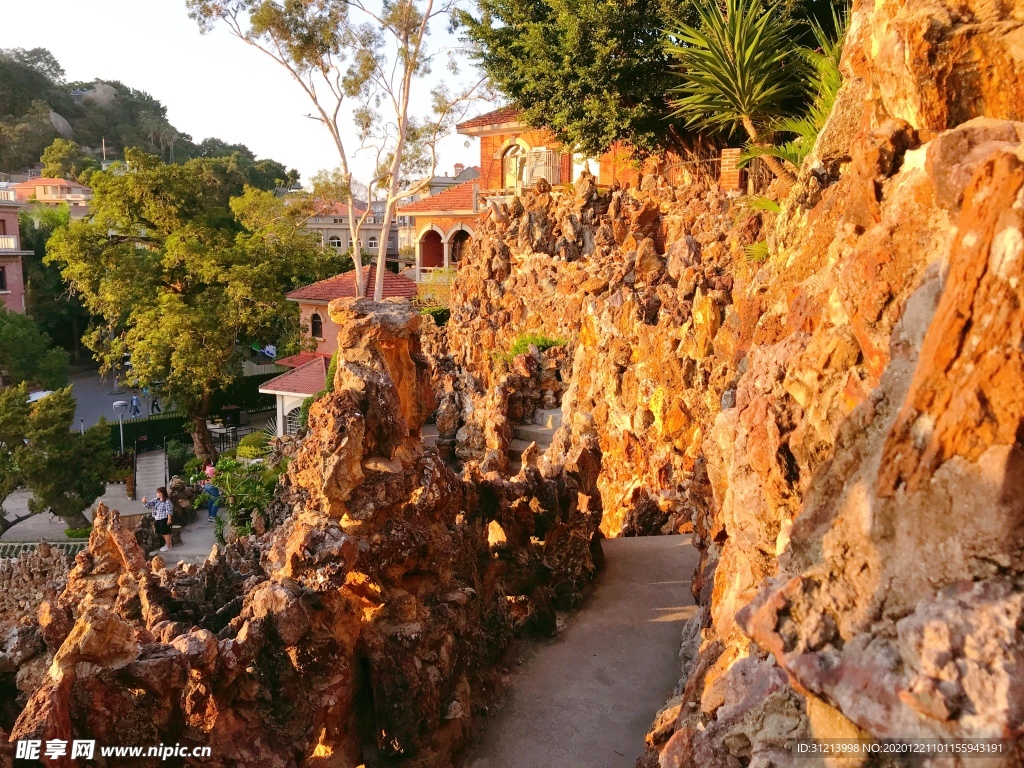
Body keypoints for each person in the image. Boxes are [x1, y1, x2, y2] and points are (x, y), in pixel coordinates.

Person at [142, 486, 174, 552]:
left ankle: (169, 546)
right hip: (157, 519)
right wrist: (145, 502)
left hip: (164, 519)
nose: (157, 494)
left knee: (166, 532)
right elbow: (150, 505)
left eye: (158, 493)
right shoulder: (156, 500)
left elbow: (169, 511)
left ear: (161, 493)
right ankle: (167, 544)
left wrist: (169, 519)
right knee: (162, 532)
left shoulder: (167, 501)